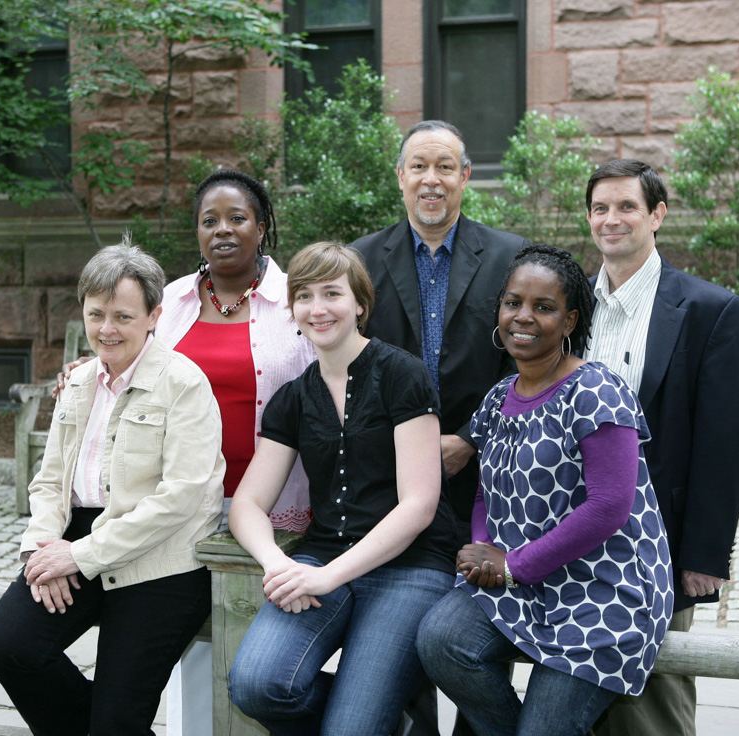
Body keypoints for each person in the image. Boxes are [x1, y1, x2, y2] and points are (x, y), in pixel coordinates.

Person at [416, 244, 674, 736]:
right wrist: (482, 548)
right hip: (522, 580)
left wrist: (513, 565)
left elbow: (608, 507)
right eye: (513, 303)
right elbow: (486, 492)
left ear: (571, 320)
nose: (524, 317)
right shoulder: (498, 399)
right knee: (440, 640)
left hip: (604, 590)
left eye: (544, 307)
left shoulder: (597, 391)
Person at [0, 239, 225, 736]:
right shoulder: (79, 381)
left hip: (162, 559)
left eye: (123, 317)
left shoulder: (185, 384)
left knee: (117, 720)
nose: (106, 329)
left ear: (154, 315)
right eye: (96, 315)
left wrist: (81, 557)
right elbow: (49, 481)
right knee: (8, 647)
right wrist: (44, 551)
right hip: (76, 537)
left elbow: (180, 499)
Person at [227, 242, 460, 735]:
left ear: (359, 303)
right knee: (254, 685)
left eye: (331, 293)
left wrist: (328, 577)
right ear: (292, 310)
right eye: (304, 296)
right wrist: (279, 564)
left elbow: (419, 505)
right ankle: (384, 720)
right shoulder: (292, 399)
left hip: (410, 568)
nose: (318, 308)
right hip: (321, 558)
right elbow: (247, 504)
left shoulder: (402, 375)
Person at [583, 160, 739, 736]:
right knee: (573, 680)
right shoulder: (569, 308)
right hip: (569, 531)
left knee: (651, 695)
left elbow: (723, 444)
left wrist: (704, 555)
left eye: (627, 207)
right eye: (601, 208)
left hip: (658, 538)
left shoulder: (710, 310)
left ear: (656, 215)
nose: (612, 220)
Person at [57, 169, 313, 531]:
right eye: (210, 221)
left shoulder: (298, 301)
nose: (222, 228)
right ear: (198, 234)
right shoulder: (170, 302)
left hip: (275, 500)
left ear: (260, 229)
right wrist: (90, 368)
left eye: (237, 218)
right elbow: (131, 362)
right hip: (173, 501)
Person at [351, 119, 529, 535]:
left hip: (491, 470)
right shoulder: (360, 259)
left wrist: (469, 438)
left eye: (445, 167)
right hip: (387, 472)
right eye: (418, 167)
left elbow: (527, 361)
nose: (431, 179)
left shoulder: (512, 256)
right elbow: (349, 360)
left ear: (464, 176)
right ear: (401, 177)